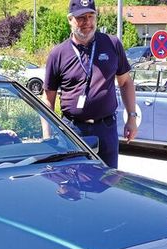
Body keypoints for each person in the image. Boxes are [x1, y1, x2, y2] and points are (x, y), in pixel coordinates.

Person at [43, 0, 137, 169]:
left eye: (90, 16)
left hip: (106, 129)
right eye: (81, 18)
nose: (87, 22)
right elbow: (48, 98)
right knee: (73, 186)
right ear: (70, 20)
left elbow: (125, 83)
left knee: (107, 185)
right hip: (73, 130)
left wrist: (132, 118)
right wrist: (47, 135)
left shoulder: (112, 44)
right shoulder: (58, 54)